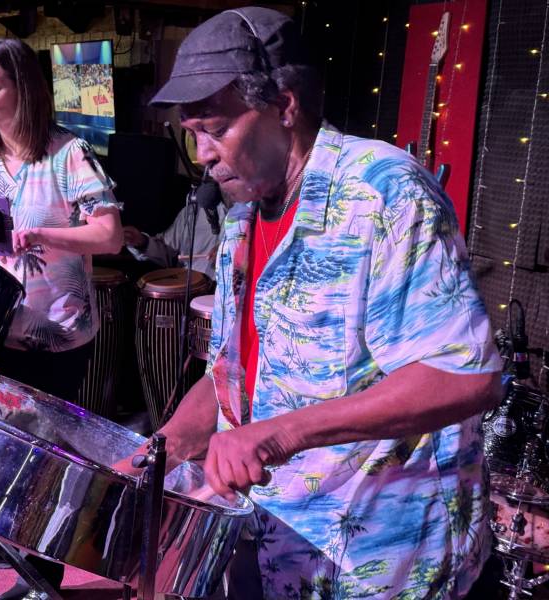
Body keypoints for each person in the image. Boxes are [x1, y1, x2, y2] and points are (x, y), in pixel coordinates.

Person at [116, 7, 502, 599]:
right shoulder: (243, 220)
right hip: (283, 544)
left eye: (215, 129)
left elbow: (464, 375)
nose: (202, 155)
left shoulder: (383, 192)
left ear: (285, 106)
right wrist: (157, 453)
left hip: (384, 562)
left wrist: (276, 436)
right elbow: (231, 379)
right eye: (191, 134)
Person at [0, 37, 122, 599]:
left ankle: (43, 569)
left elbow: (110, 235)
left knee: (46, 455)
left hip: (56, 332)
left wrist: (45, 234)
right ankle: (0, 539)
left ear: (24, 89)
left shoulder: (68, 155)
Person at [123, 199, 227, 280]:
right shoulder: (192, 212)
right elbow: (167, 251)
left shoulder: (237, 213)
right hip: (188, 290)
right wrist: (142, 242)